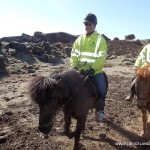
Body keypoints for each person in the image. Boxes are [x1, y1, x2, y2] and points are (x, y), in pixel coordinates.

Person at [70, 13, 108, 122]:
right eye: (86, 24)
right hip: (79, 70)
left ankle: (100, 111)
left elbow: (102, 56)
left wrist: (93, 68)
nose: (87, 26)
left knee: (102, 90)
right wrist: (74, 67)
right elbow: (74, 54)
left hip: (95, 71)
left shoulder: (101, 39)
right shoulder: (79, 39)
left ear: (94, 25)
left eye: (90, 24)